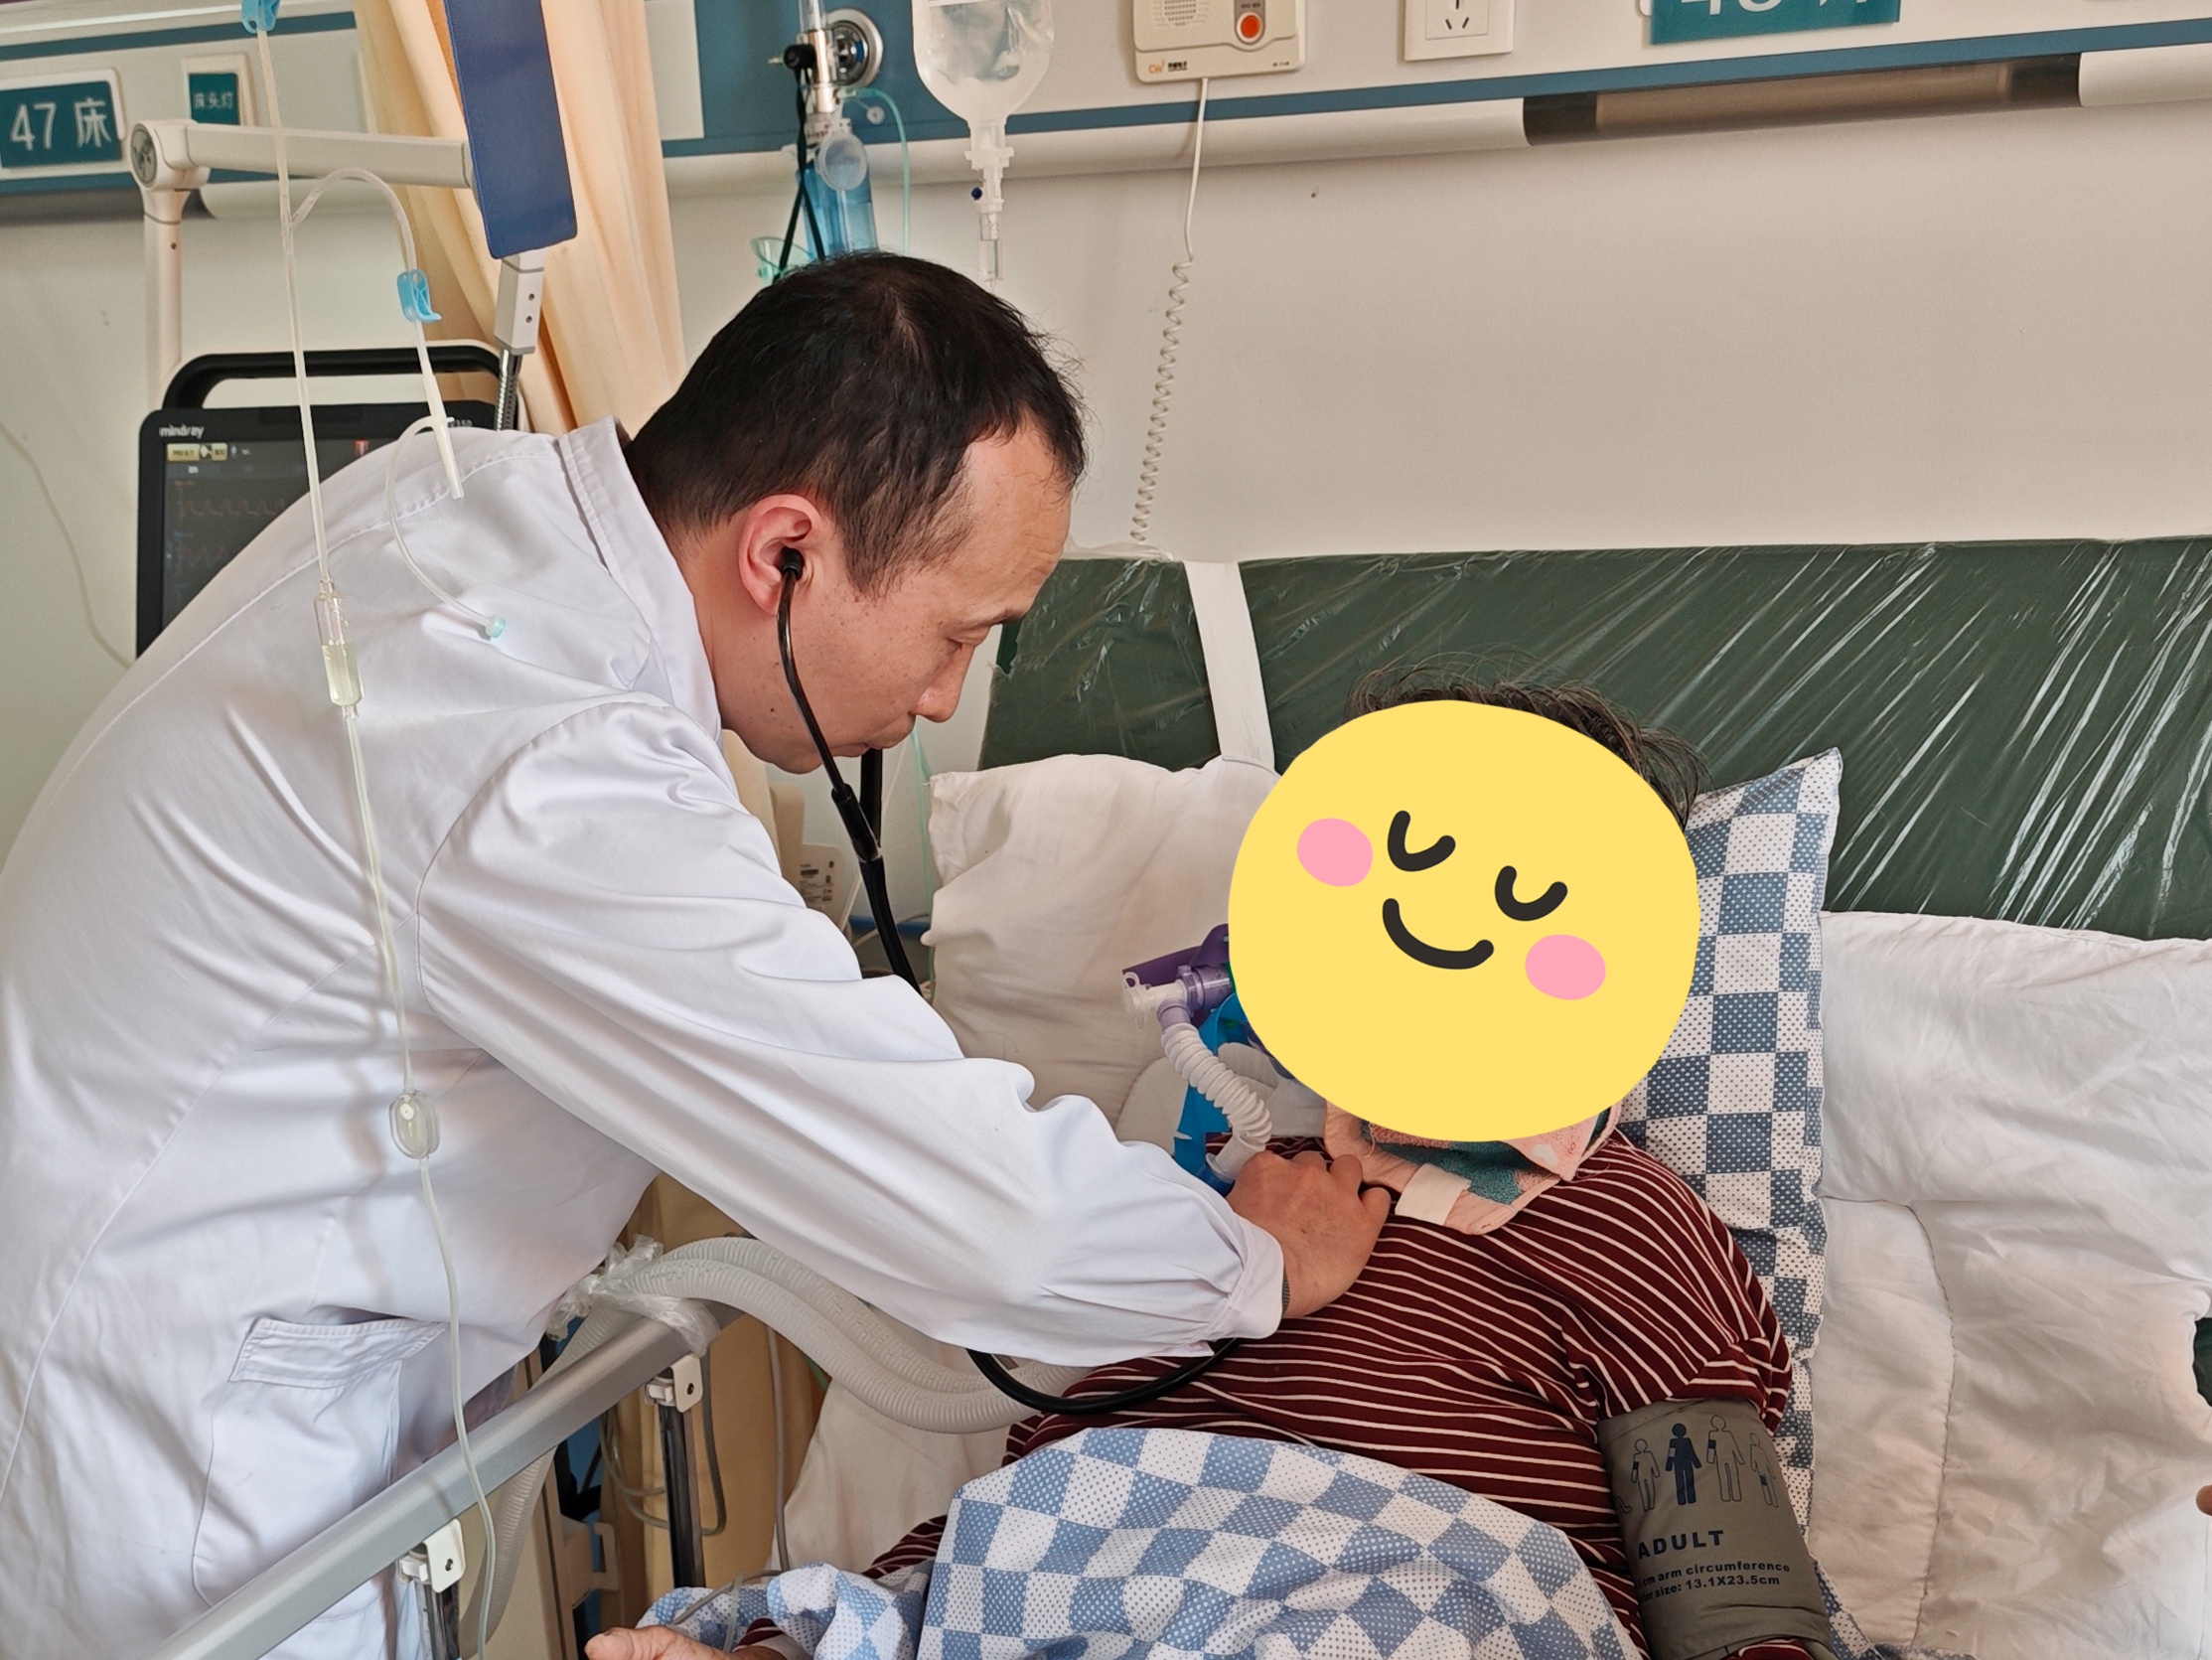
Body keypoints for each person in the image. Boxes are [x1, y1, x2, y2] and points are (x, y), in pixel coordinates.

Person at [0, 253, 1386, 1658]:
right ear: (784, 554)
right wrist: (1245, 1260)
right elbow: (974, 1209)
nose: (940, 696)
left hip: (191, 1319)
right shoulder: (545, 753)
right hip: (184, 1462)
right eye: (954, 633)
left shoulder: (462, 497)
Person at [591, 677, 1817, 1660]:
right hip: (1126, 1551)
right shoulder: (1234, 1178)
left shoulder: (1625, 1218)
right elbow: (1064, 1471)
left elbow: (1725, 1574)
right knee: (945, 1591)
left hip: (1428, 1580)